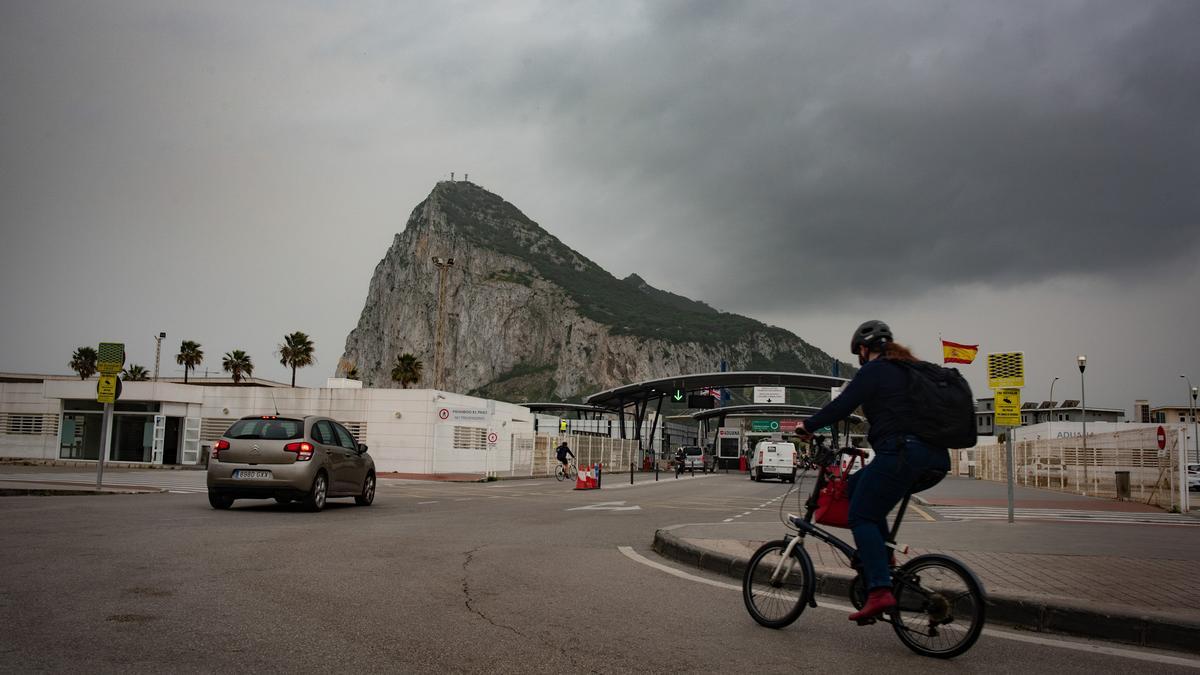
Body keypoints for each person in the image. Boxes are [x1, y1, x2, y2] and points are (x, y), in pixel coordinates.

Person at [795, 320, 950, 623]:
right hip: (935, 459)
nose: (860, 359)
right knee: (856, 489)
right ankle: (883, 558)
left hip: (902, 454)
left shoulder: (876, 370)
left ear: (865, 350)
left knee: (861, 515)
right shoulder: (911, 369)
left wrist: (807, 426)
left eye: (859, 354)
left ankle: (879, 589)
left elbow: (842, 405)